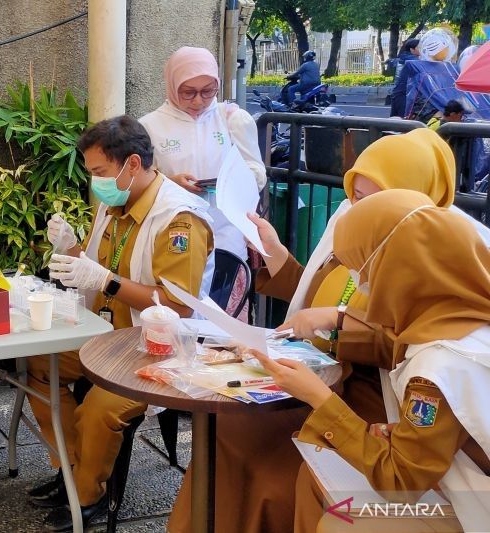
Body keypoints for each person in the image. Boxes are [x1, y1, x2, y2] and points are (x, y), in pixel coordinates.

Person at [167, 128, 490, 533]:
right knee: (226, 433)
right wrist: (280, 262)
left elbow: (400, 342)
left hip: (368, 397)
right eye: (355, 194)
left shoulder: (421, 256)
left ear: (412, 197)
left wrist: (335, 329)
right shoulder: (372, 235)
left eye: (374, 197)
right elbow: (321, 296)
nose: (356, 207)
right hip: (330, 386)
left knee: (297, 483)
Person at [251, 189, 490, 532]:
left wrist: (318, 397)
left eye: (362, 274)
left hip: (472, 507)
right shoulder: (461, 315)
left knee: (341, 521)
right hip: (455, 477)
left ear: (398, 271)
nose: (359, 286)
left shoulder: (438, 366)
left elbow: (401, 483)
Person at [27, 115, 214, 531]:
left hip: (160, 346)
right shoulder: (117, 203)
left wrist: (105, 281)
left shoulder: (180, 220)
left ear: (132, 163)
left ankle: (90, 495)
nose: (95, 181)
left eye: (100, 172)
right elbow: (95, 269)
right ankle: (71, 469)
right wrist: (70, 246)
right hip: (108, 334)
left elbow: (177, 306)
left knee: (101, 405)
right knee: (39, 364)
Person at [139, 46, 266, 315]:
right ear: (172, 86)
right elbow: (140, 181)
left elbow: (257, 172)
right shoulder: (150, 126)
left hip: (226, 233)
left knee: (224, 323)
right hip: (175, 237)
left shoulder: (232, 119)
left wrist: (231, 183)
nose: (199, 101)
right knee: (179, 313)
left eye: (208, 91)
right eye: (188, 92)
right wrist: (170, 182)